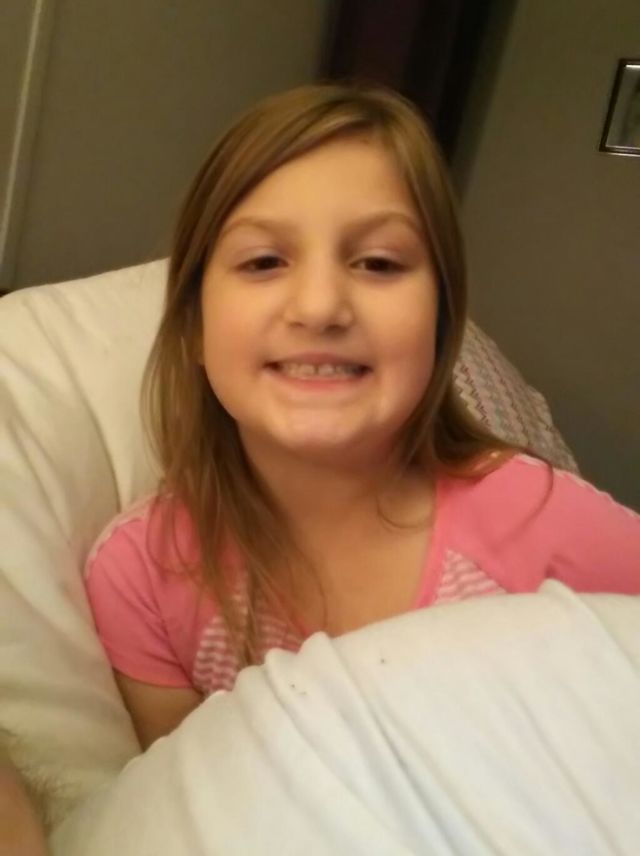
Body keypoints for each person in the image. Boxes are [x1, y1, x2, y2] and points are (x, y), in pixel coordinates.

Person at [85, 82, 640, 751]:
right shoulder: (142, 575)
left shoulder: (550, 525)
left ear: (441, 324)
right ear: (193, 328)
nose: (320, 307)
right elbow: (174, 803)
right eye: (263, 262)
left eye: (378, 263)